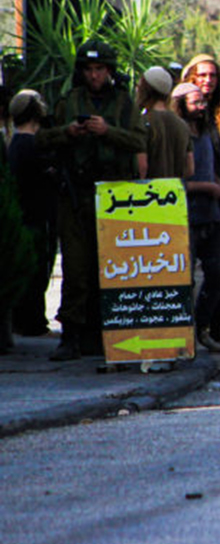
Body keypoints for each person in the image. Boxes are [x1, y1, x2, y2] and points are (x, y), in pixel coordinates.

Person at [38, 40, 146, 360]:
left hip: (113, 194)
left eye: (100, 69)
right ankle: (71, 334)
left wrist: (107, 131)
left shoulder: (124, 104)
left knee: (110, 266)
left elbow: (140, 139)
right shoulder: (68, 101)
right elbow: (42, 139)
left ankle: (105, 334)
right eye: (89, 69)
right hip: (75, 193)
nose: (95, 75)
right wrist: (67, 133)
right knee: (75, 267)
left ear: (110, 70)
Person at [170, 83, 220, 353]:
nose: (201, 106)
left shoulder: (206, 131)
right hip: (187, 217)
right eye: (195, 102)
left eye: (202, 102)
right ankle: (185, 335)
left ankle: (202, 327)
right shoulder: (178, 135)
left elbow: (209, 169)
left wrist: (218, 182)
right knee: (186, 279)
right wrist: (208, 188)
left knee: (219, 273)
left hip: (211, 215)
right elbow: (177, 182)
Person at [8, 90, 58, 338]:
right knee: (38, 271)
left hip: (25, 217)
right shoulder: (31, 146)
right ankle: (32, 322)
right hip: (37, 218)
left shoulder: (15, 144)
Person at [137, 66, 192, 181]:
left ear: (145, 90)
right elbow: (190, 169)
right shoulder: (182, 125)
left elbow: (142, 167)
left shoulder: (142, 122)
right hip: (174, 194)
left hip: (149, 194)